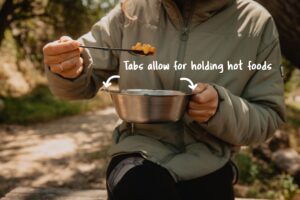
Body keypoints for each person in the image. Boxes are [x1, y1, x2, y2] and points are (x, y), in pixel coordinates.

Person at [43, 0, 286, 199]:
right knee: (141, 187)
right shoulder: (133, 10)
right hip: (137, 155)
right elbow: (81, 78)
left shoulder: (256, 24)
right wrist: (68, 67)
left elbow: (269, 115)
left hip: (210, 161)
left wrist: (221, 108)